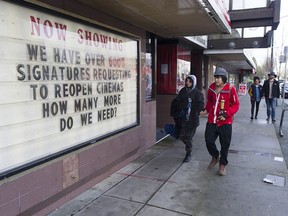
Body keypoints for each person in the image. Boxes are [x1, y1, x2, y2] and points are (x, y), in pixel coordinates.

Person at [200, 68, 240, 176]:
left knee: (225, 145)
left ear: (223, 78)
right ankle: (215, 156)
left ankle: (222, 165)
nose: (216, 80)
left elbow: (236, 105)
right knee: (208, 141)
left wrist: (227, 113)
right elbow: (209, 101)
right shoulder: (211, 88)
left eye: (218, 78)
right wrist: (206, 110)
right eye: (215, 77)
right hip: (212, 120)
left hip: (225, 122)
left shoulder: (230, 89)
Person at [172, 75, 204, 163]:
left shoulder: (198, 93)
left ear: (193, 82)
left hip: (193, 120)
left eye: (190, 81)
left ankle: (188, 153)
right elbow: (177, 101)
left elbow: (201, 104)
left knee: (188, 137)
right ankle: (188, 148)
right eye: (187, 81)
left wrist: (201, 110)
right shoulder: (183, 91)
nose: (188, 83)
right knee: (181, 136)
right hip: (183, 119)